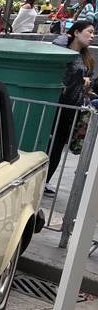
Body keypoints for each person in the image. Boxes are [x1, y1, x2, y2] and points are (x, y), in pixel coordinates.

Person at [45, 20, 97, 192]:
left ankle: (46, 180)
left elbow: (88, 82)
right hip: (56, 105)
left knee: (58, 146)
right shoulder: (62, 51)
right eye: (89, 32)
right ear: (76, 32)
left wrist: (87, 83)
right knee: (47, 143)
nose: (92, 36)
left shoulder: (87, 58)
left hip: (72, 108)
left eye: (93, 32)